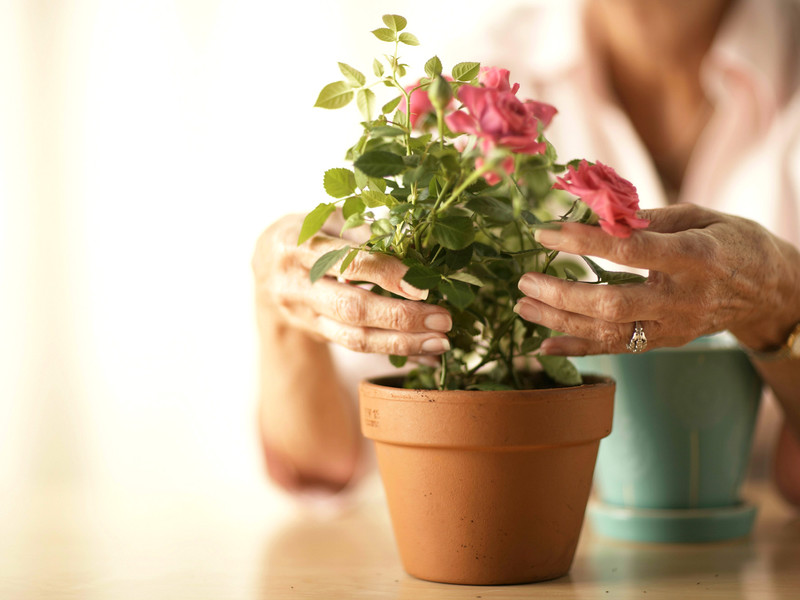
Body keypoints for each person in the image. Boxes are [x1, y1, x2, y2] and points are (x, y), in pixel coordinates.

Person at [252, 0, 800, 505]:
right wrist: (285, 314)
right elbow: (324, 457)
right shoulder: (480, 83)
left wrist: (782, 297)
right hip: (511, 525)